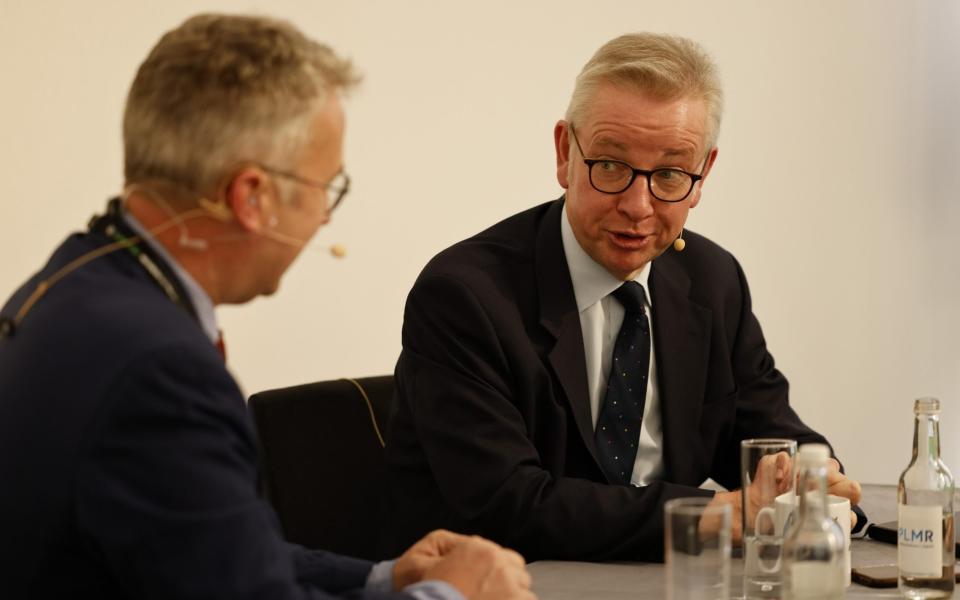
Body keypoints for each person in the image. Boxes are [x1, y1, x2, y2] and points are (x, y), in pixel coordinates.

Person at [0, 14, 534, 600]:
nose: (325, 219)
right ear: (253, 197)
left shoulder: (75, 275)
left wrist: (386, 577)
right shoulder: (161, 372)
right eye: (326, 188)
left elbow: (208, 547)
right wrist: (456, 596)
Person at [382, 32, 863, 562]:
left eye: (670, 174)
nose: (637, 206)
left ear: (702, 176)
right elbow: (509, 505)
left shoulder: (711, 279)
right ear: (566, 153)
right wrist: (713, 515)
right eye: (610, 166)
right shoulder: (465, 296)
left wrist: (812, 479)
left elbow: (765, 437)